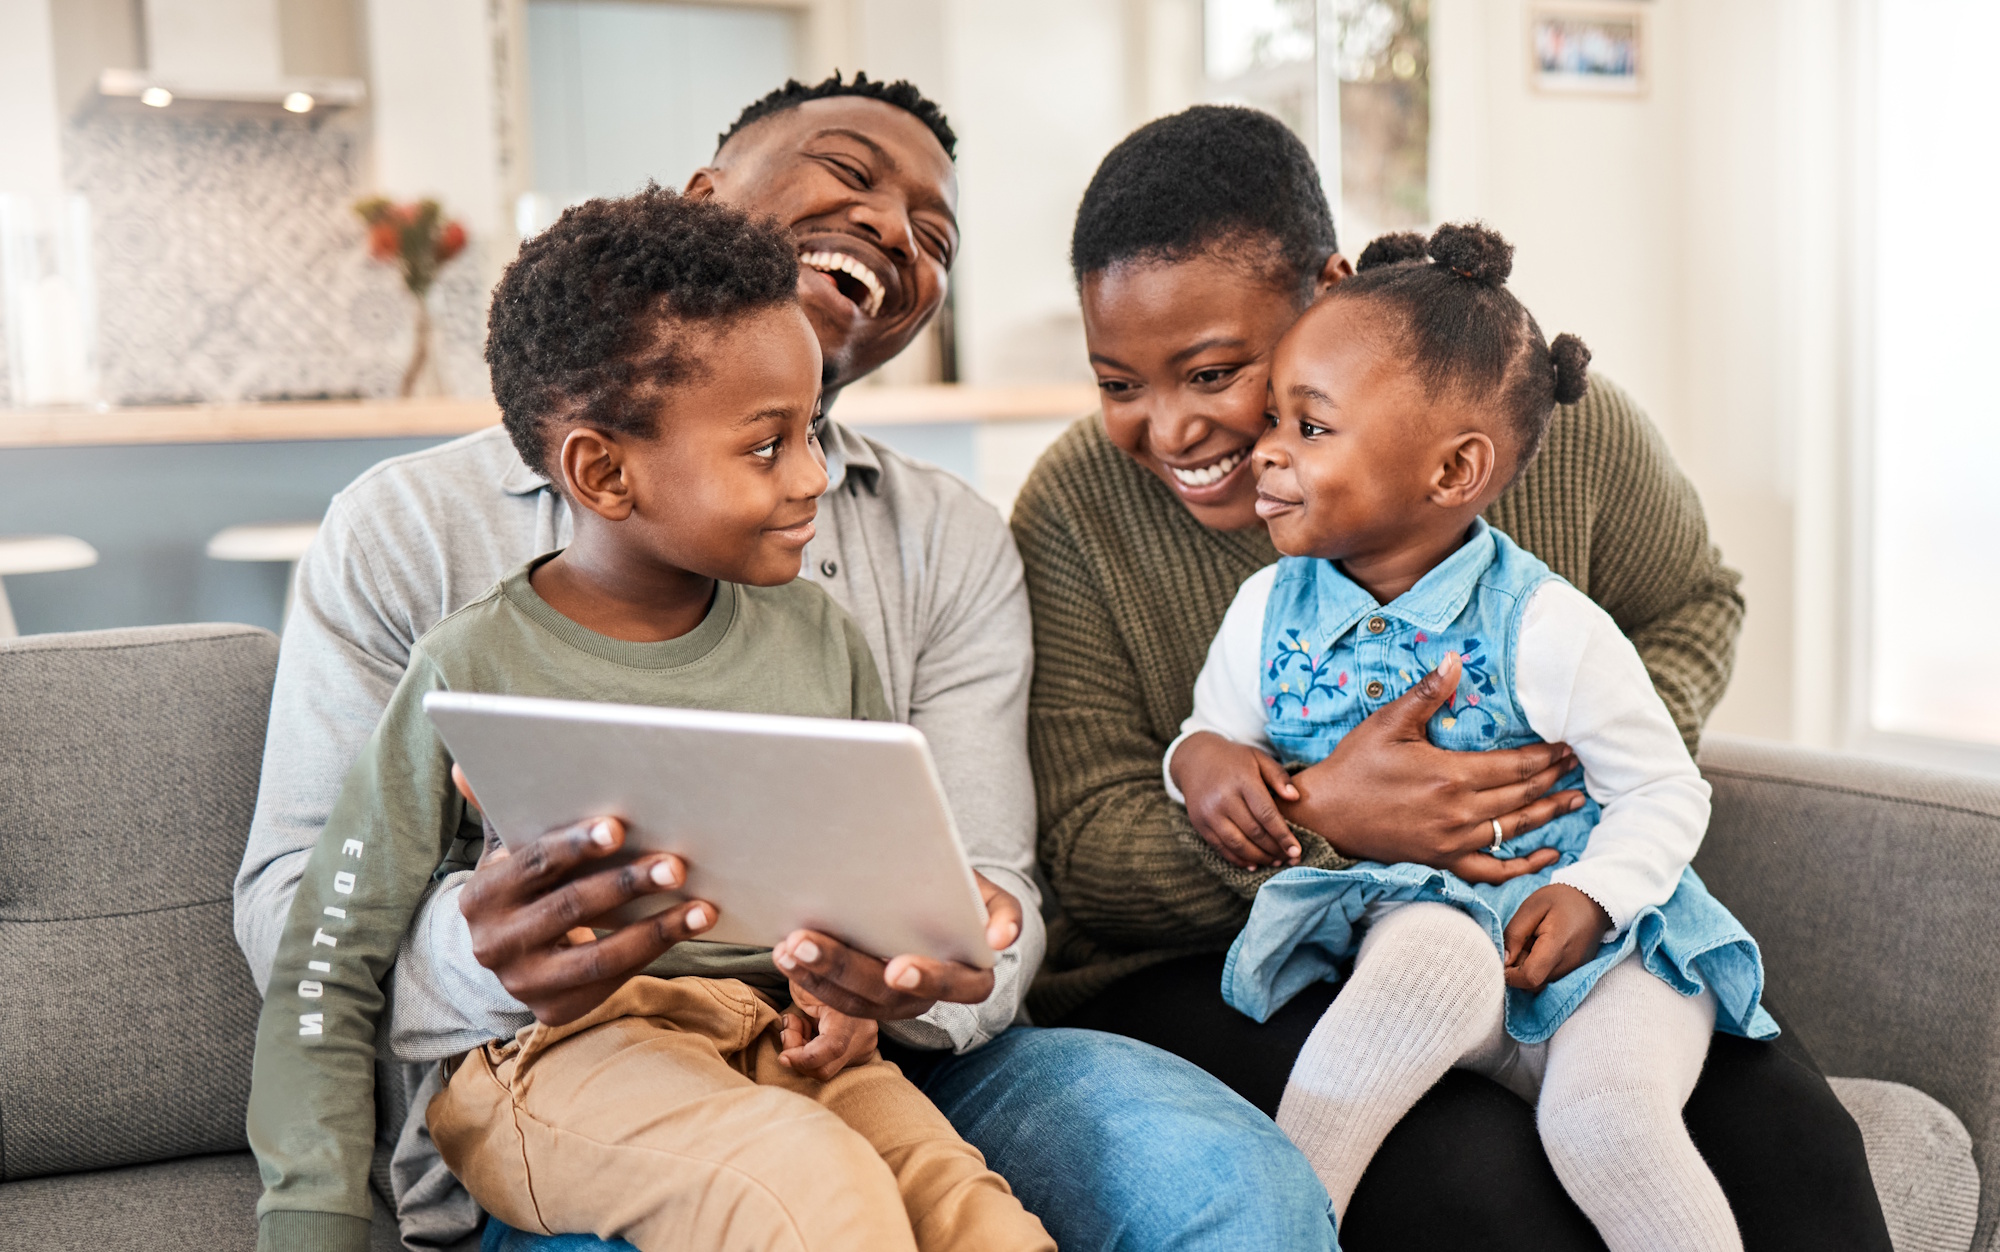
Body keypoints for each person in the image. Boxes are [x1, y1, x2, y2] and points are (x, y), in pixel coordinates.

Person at [233, 75, 1335, 1252]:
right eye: (851, 173)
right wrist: (479, 962)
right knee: (802, 1190)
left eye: (933, 232)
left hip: (832, 1052)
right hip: (564, 1071)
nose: (891, 228)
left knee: (1212, 1194)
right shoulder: (429, 570)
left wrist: (939, 957)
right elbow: (309, 930)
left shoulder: (900, 574)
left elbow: (980, 884)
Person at [1015, 104, 1894, 1251]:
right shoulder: (1077, 511)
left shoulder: (1540, 427)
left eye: (1214, 370)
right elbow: (1085, 847)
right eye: (1116, 383)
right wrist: (1321, 814)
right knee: (1472, 1181)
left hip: (1535, 914)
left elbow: (1690, 600)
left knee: (1793, 1142)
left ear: (1325, 292)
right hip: (1217, 958)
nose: (1172, 428)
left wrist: (1556, 778)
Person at [248, 190, 1057, 1252]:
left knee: (981, 1224)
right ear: (602, 472)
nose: (814, 475)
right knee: (804, 1189)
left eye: (810, 430)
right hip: (557, 1062)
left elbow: (865, 893)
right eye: (767, 447)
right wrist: (310, 1217)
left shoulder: (820, 638)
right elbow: (325, 956)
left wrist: (872, 979)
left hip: (784, 1047)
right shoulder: (470, 665)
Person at [1171, 222, 1776, 1252]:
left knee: (1603, 1126)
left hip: (1607, 960)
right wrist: (1205, 763)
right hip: (1430, 930)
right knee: (1394, 988)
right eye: (1273, 415)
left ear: (1452, 472)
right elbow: (1205, 733)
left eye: (1309, 428)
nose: (1263, 449)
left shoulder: (1544, 627)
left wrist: (1593, 894)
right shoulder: (1263, 610)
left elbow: (1665, 792)